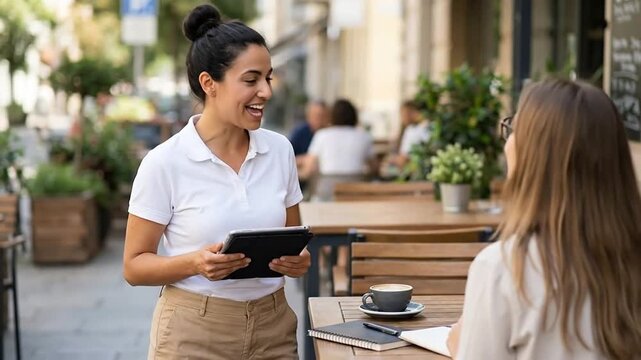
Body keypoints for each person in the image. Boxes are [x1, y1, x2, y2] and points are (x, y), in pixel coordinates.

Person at [122, 4, 310, 359]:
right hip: (193, 331)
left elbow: (293, 241)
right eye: (251, 80)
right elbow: (134, 266)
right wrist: (195, 263)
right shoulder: (164, 162)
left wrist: (298, 260)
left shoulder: (280, 151)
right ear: (209, 83)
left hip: (274, 327)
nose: (266, 92)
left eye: (268, 78)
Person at [446, 79, 641, 359]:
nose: (508, 141)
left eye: (513, 129)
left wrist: (459, 349)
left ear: (532, 156)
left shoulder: (503, 269)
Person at [299, 98, 376, 201]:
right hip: (356, 192)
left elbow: (308, 169)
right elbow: (374, 168)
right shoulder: (364, 136)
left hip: (328, 193)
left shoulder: (322, 135)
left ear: (331, 116)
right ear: (354, 116)